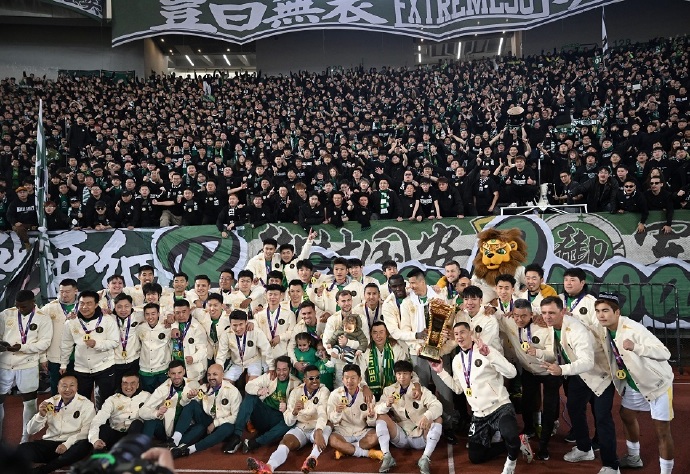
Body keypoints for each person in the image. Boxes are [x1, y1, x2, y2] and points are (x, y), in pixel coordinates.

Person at [431, 322, 532, 474]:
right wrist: (440, 372)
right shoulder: (457, 360)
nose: (459, 336)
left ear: (470, 333)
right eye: (456, 334)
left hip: (499, 407)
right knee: (476, 457)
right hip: (479, 415)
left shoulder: (486, 350)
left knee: (510, 435)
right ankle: (518, 442)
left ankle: (510, 465)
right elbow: (458, 389)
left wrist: (489, 355)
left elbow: (512, 373)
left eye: (462, 332)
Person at [594, 293, 675, 474]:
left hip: (657, 384)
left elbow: (665, 353)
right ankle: (633, 457)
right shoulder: (603, 328)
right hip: (633, 382)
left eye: (605, 311)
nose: (601, 315)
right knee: (626, 414)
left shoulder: (634, 329)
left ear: (617, 312)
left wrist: (636, 347)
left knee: (662, 431)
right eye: (598, 311)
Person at [539, 296, 619, 473]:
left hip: (600, 376)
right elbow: (558, 352)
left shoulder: (577, 330)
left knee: (603, 419)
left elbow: (587, 362)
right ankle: (584, 448)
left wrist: (562, 370)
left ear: (563, 312)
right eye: (544, 313)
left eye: (552, 313)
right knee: (574, 408)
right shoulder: (553, 327)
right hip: (579, 374)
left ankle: (611, 465)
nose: (547, 317)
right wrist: (537, 352)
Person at [495, 299, 560, 460]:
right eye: (516, 315)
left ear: (531, 314)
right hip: (529, 371)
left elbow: (552, 354)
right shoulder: (509, 321)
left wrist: (537, 352)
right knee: (526, 402)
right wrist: (490, 309)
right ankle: (529, 429)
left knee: (549, 408)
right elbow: (494, 315)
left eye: (524, 316)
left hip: (550, 371)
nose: (519, 319)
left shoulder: (544, 326)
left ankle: (544, 445)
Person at [247, 364, 332, 474]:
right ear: (304, 379)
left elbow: (322, 413)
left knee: (328, 425)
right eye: (311, 378)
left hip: (317, 426)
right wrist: (294, 412)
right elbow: (288, 421)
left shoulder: (324, 391)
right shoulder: (296, 392)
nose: (315, 381)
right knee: (285, 442)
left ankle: (312, 459)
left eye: (317, 377)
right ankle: (269, 467)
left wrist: (319, 431)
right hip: (301, 426)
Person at [0, 290, 52, 442]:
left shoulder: (43, 318)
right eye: (17, 306)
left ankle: (25, 438)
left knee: (29, 402)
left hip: (27, 364)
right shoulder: (6, 314)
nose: (20, 309)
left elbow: (45, 343)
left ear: (33, 302)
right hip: (4, 363)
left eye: (23, 306)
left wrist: (22, 348)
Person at [375, 360, 443, 474]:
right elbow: (376, 409)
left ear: (411, 374)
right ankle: (387, 456)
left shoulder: (421, 390)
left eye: (405, 373)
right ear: (395, 375)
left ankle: (425, 458)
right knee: (381, 416)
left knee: (438, 419)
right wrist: (386, 405)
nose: (402, 377)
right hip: (400, 436)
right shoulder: (389, 390)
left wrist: (427, 416)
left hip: (420, 435)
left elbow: (437, 405)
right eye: (399, 374)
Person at [19, 373, 95, 474]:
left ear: (77, 387)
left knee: (84, 445)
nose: (67, 389)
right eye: (64, 386)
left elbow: (86, 431)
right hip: (51, 443)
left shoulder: (86, 404)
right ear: (58, 387)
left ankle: (44, 470)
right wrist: (40, 415)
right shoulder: (49, 402)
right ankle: (59, 461)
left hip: (72, 445)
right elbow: (30, 430)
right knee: (21, 449)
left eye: (72, 385)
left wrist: (66, 444)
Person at [225, 356, 299, 454]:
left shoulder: (297, 383)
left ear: (290, 369)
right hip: (263, 414)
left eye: (284, 369)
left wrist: (287, 408)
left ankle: (254, 443)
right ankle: (236, 436)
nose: (281, 373)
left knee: (291, 421)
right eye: (278, 369)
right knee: (251, 396)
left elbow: (296, 409)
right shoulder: (270, 376)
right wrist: (258, 391)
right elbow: (249, 386)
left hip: (278, 419)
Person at [59, 290, 118, 409]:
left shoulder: (107, 320)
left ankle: (103, 420)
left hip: (104, 366)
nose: (85, 307)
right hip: (82, 368)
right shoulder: (71, 322)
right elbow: (66, 344)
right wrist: (63, 364)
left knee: (105, 401)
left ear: (96, 304)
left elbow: (114, 342)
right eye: (82, 303)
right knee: (82, 400)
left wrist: (96, 344)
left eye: (89, 303)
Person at [168, 364, 242, 458]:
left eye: (215, 374)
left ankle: (189, 450)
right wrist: (189, 397)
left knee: (227, 428)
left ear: (222, 375)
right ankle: (175, 440)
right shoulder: (204, 388)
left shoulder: (233, 391)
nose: (211, 377)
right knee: (192, 404)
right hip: (208, 421)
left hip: (223, 425)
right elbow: (186, 405)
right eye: (209, 375)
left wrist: (215, 423)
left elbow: (235, 417)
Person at [327, 364, 383, 461]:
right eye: (346, 378)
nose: (349, 381)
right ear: (342, 379)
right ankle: (367, 453)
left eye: (353, 378)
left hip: (362, 431)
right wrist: (337, 412)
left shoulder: (368, 395)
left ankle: (346, 449)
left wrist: (371, 417)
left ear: (359, 379)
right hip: (343, 432)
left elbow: (372, 423)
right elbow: (332, 420)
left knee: (377, 435)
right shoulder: (335, 395)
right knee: (333, 440)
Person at [139, 360, 200, 443]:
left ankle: (176, 445)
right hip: (166, 431)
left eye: (179, 373)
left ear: (184, 372)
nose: (176, 376)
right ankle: (143, 447)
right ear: (168, 374)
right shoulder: (162, 389)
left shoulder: (193, 385)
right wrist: (156, 413)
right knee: (150, 419)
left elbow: (200, 409)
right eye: (173, 373)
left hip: (185, 429)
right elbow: (142, 411)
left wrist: (191, 398)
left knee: (200, 427)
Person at [87, 372, 149, 451]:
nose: (128, 387)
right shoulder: (112, 399)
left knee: (137, 423)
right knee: (103, 428)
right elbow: (98, 419)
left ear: (138, 385)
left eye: (132, 383)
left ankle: (129, 452)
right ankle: (99, 454)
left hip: (134, 435)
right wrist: (94, 439)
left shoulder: (147, 397)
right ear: (121, 385)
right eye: (125, 383)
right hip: (116, 434)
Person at [41, 278, 79, 394]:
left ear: (75, 291)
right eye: (61, 291)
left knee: (78, 388)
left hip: (79, 357)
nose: (64, 294)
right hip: (56, 356)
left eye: (67, 291)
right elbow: (40, 333)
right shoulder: (49, 308)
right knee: (57, 387)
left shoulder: (83, 307)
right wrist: (43, 357)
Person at [215, 310, 274, 383]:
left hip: (254, 361)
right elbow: (221, 355)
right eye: (234, 325)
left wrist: (271, 367)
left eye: (241, 324)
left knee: (252, 385)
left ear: (246, 322)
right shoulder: (226, 334)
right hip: (236, 363)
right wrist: (218, 371)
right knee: (224, 384)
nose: (238, 328)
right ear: (230, 324)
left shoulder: (255, 331)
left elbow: (266, 348)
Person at [136, 303, 173, 392]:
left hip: (163, 368)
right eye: (147, 314)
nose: (150, 317)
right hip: (145, 369)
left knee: (164, 394)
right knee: (147, 395)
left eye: (153, 314)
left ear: (158, 314)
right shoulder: (140, 327)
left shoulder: (167, 327)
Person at [111, 293, 144, 385]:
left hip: (134, 360)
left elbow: (155, 316)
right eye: (119, 307)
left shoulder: (138, 316)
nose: (123, 310)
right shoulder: (109, 319)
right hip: (115, 362)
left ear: (131, 306)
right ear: (114, 307)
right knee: (117, 388)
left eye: (126, 306)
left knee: (133, 386)